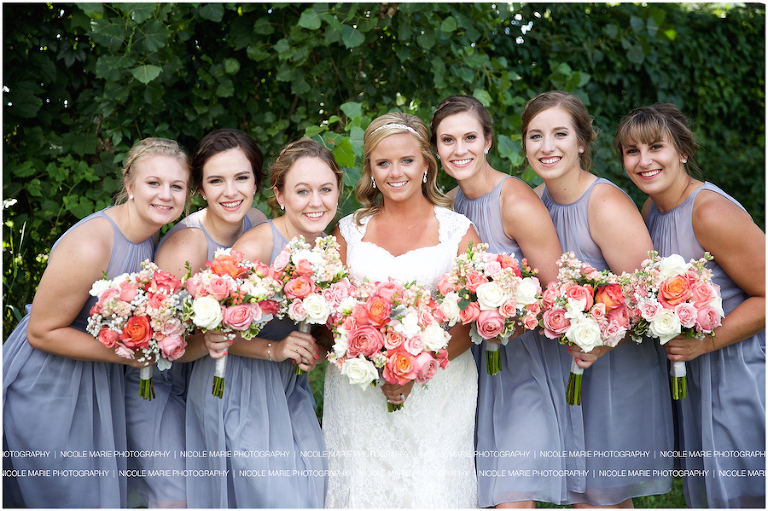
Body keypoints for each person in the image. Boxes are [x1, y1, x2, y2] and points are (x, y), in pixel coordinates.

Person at [2, 138, 190, 508]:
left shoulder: (152, 232)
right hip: (50, 381)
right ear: (130, 185)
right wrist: (128, 355)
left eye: (177, 186)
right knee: (66, 495)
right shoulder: (92, 244)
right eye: (153, 183)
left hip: (98, 376)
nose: (165, 195)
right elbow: (42, 332)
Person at [322, 112, 482, 508]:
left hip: (439, 386)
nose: (396, 173)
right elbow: (328, 311)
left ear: (426, 163)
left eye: (407, 160)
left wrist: (414, 369)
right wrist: (370, 361)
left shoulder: (457, 231)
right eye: (383, 163)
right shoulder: (348, 231)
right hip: (360, 385)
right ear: (371, 170)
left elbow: (474, 312)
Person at [522, 91, 674, 507]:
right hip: (566, 365)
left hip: (614, 368)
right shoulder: (532, 201)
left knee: (601, 497)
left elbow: (648, 296)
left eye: (560, 134)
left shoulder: (605, 203)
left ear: (582, 142)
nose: (547, 146)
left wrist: (601, 340)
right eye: (535, 136)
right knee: (585, 496)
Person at [615, 103, 766, 508]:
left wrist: (705, 342)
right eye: (632, 151)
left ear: (682, 151)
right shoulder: (651, 210)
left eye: (656, 147)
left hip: (738, 372)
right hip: (693, 373)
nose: (644, 161)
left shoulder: (710, 212)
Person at [430, 94, 567, 508]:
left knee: (512, 494)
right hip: (470, 368)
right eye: (448, 140)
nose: (459, 150)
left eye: (470, 137)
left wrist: (504, 315)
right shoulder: (448, 206)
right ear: (436, 148)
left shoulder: (516, 200)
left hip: (523, 367)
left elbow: (558, 293)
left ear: (488, 140)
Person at [186, 138, 336, 508]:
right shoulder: (256, 247)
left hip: (288, 387)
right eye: (302, 191)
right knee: (276, 499)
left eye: (325, 189)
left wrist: (318, 344)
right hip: (236, 386)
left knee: (315, 490)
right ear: (280, 195)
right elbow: (209, 331)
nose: (316, 202)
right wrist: (275, 348)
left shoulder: (327, 247)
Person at [124, 129, 267, 508]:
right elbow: (155, 344)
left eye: (241, 178)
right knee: (180, 499)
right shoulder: (186, 244)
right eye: (216, 181)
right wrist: (205, 342)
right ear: (200, 189)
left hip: (212, 382)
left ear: (256, 181)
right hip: (158, 385)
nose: (230, 192)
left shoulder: (256, 222)